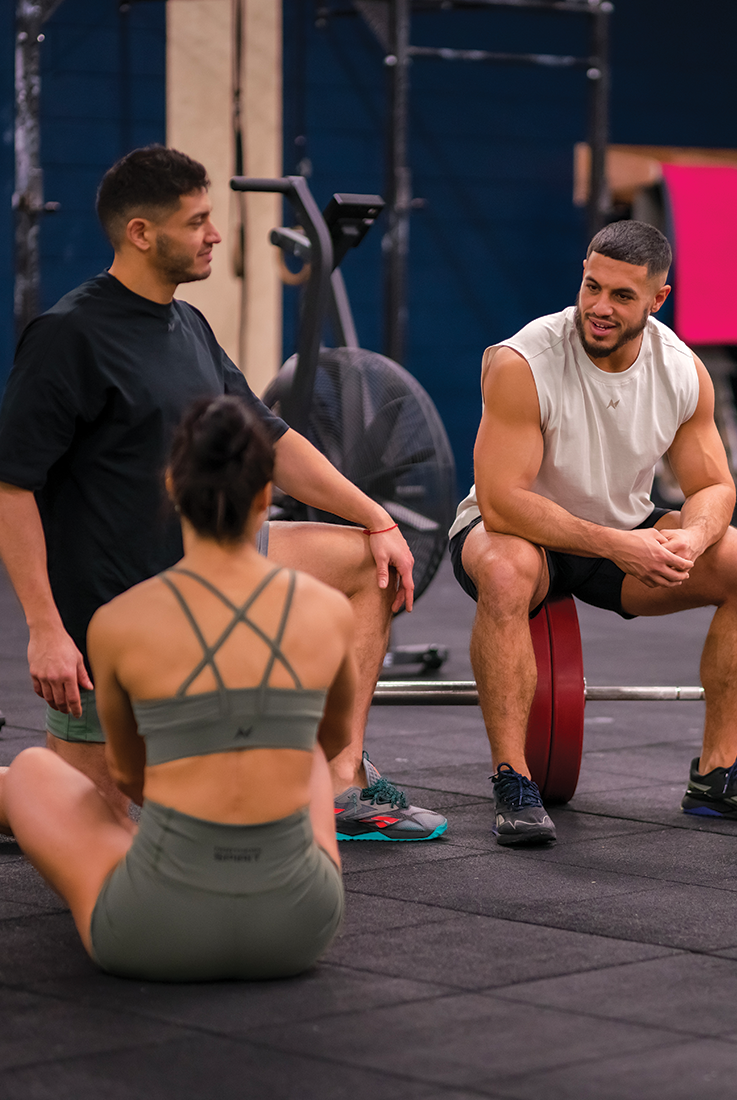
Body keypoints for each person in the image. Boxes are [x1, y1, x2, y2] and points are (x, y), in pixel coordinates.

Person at [0, 145, 446, 843]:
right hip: (115, 616)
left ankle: (340, 782)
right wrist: (45, 629)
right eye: (198, 221)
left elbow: (268, 438)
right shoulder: (67, 337)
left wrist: (375, 517)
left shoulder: (188, 324)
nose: (214, 235)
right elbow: (12, 485)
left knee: (369, 563)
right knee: (87, 823)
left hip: (217, 567)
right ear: (142, 234)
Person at [0, 396, 354, 979]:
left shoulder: (115, 623)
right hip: (297, 928)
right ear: (266, 495)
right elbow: (333, 739)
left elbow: (130, 774)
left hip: (155, 927)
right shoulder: (328, 611)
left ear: (171, 486)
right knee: (307, 755)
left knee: (35, 773)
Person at [449, 220, 737, 846]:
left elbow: (716, 487)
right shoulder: (523, 361)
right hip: (518, 531)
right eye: (592, 287)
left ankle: (716, 776)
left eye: (621, 296)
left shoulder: (682, 371)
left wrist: (691, 542)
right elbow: (504, 503)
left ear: (658, 299)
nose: (599, 308)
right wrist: (620, 545)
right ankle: (513, 779)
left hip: (622, 529)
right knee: (506, 572)